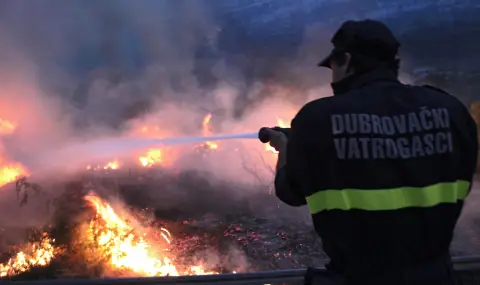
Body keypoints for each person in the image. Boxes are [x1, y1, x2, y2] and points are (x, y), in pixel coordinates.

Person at [264, 19, 478, 285]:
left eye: (332, 66)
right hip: (437, 277)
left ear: (346, 60)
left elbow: (290, 192)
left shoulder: (317, 119)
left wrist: (286, 147)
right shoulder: (451, 110)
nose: (332, 75)